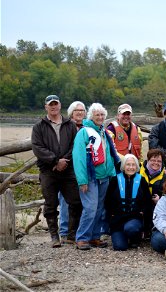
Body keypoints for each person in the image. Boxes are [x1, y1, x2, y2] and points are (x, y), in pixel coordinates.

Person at [31, 95, 82, 248]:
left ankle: (71, 235)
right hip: (48, 170)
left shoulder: (70, 124)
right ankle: (54, 236)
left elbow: (75, 145)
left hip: (68, 170)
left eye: (56, 104)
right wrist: (54, 161)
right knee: (51, 204)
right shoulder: (38, 126)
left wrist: (64, 161)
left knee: (76, 202)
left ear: (60, 106)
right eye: (50, 105)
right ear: (46, 107)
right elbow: (37, 147)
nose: (53, 107)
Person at [73, 103, 120, 250]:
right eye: (97, 115)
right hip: (90, 177)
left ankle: (94, 236)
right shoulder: (84, 133)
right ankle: (82, 238)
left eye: (102, 115)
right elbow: (79, 157)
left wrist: (112, 172)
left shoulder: (103, 132)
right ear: (91, 116)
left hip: (104, 176)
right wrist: (82, 180)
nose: (100, 117)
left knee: (99, 208)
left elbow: (109, 155)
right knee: (90, 207)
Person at [105, 154, 149, 251]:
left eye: (133, 165)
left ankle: (135, 238)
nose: (131, 167)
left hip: (134, 219)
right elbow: (107, 201)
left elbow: (147, 201)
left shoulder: (141, 180)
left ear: (137, 166)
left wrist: (142, 212)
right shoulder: (115, 180)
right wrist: (111, 215)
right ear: (123, 166)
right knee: (120, 247)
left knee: (131, 228)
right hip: (118, 220)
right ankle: (123, 237)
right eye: (128, 164)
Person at [58, 100, 86, 244]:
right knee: (65, 201)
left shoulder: (87, 126)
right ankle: (64, 231)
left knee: (79, 201)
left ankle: (75, 231)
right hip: (68, 169)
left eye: (82, 110)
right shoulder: (66, 126)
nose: (80, 113)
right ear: (71, 113)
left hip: (83, 169)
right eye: (77, 111)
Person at [139, 148, 166, 236]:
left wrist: (160, 199)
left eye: (159, 161)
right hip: (139, 203)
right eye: (153, 160)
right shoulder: (137, 169)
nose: (156, 163)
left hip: (156, 205)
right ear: (148, 160)